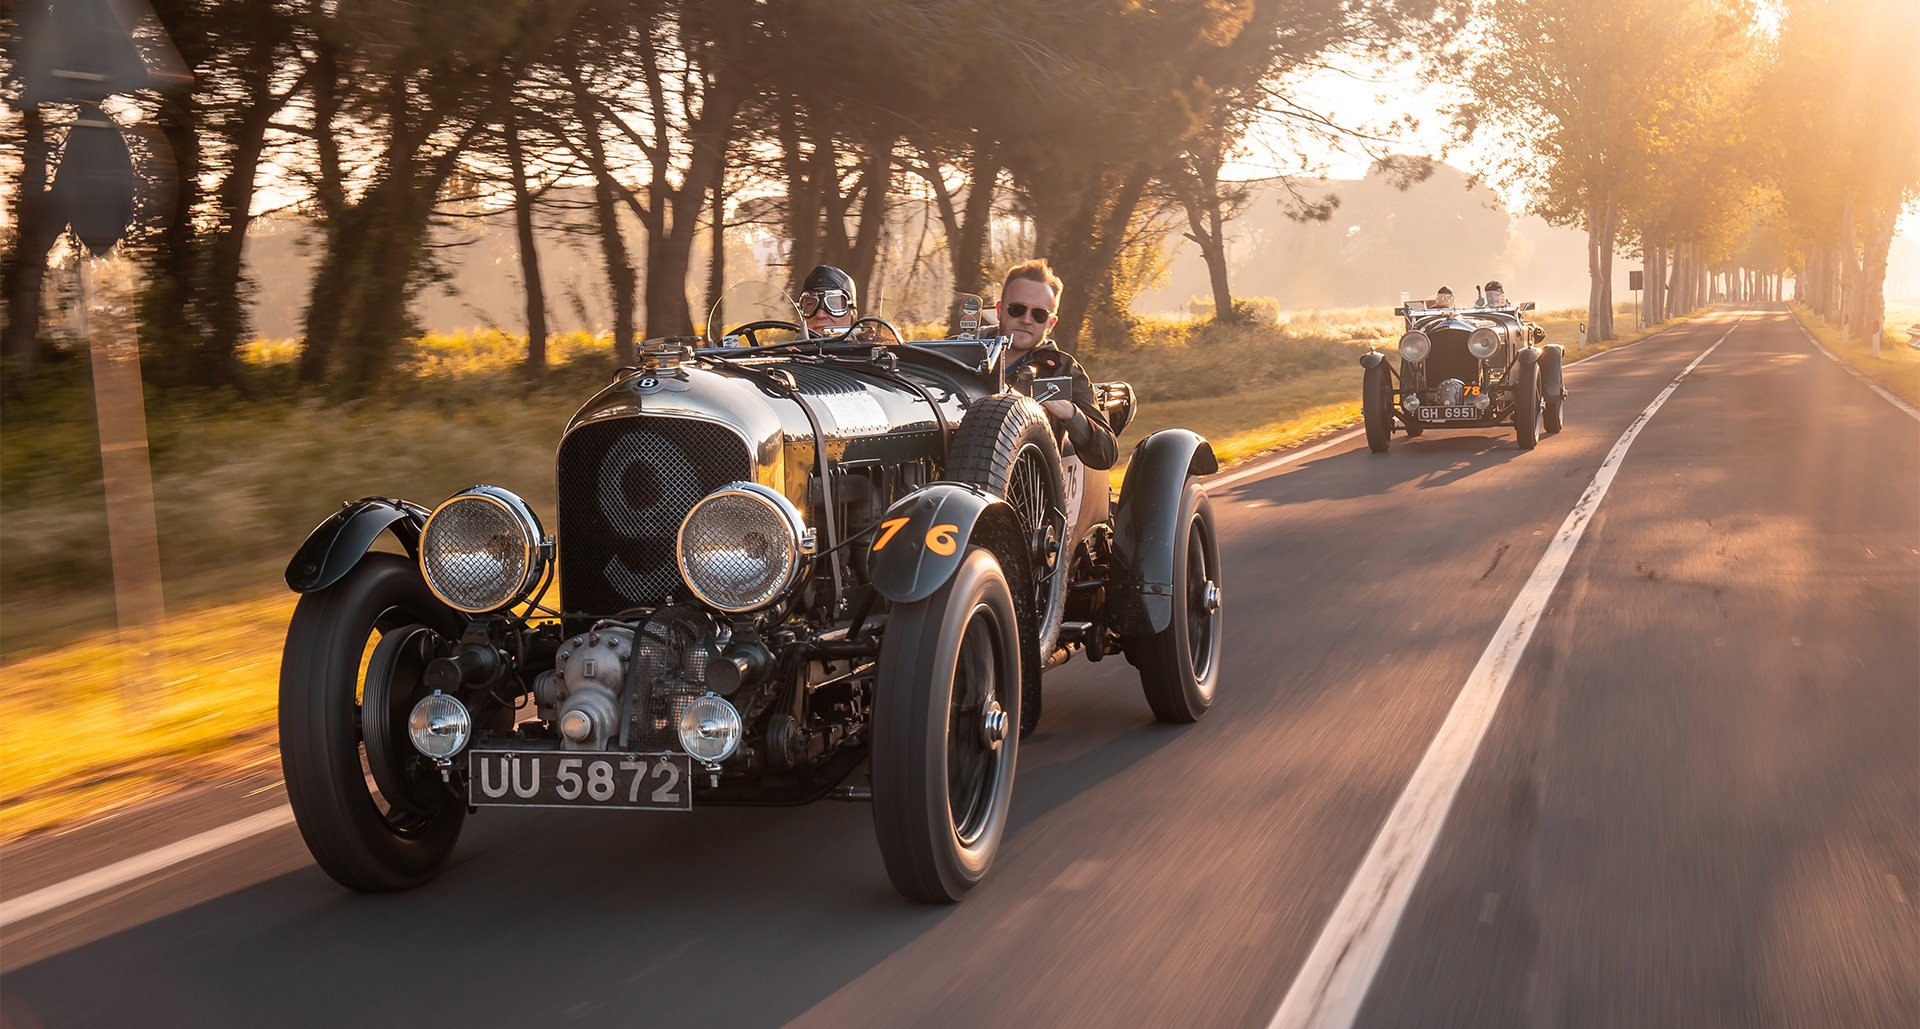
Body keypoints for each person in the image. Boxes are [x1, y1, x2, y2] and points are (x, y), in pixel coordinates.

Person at [996, 258, 1119, 470]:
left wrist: (1070, 413)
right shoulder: (958, 355)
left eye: (1039, 314)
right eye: (1016, 309)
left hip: (1030, 494)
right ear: (999, 310)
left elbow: (1106, 452)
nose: (1026, 319)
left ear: (1051, 323)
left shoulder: (1063, 370)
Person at [798, 265, 857, 336]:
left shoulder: (870, 345)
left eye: (833, 305)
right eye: (810, 305)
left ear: (852, 313)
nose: (820, 315)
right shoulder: (790, 346)